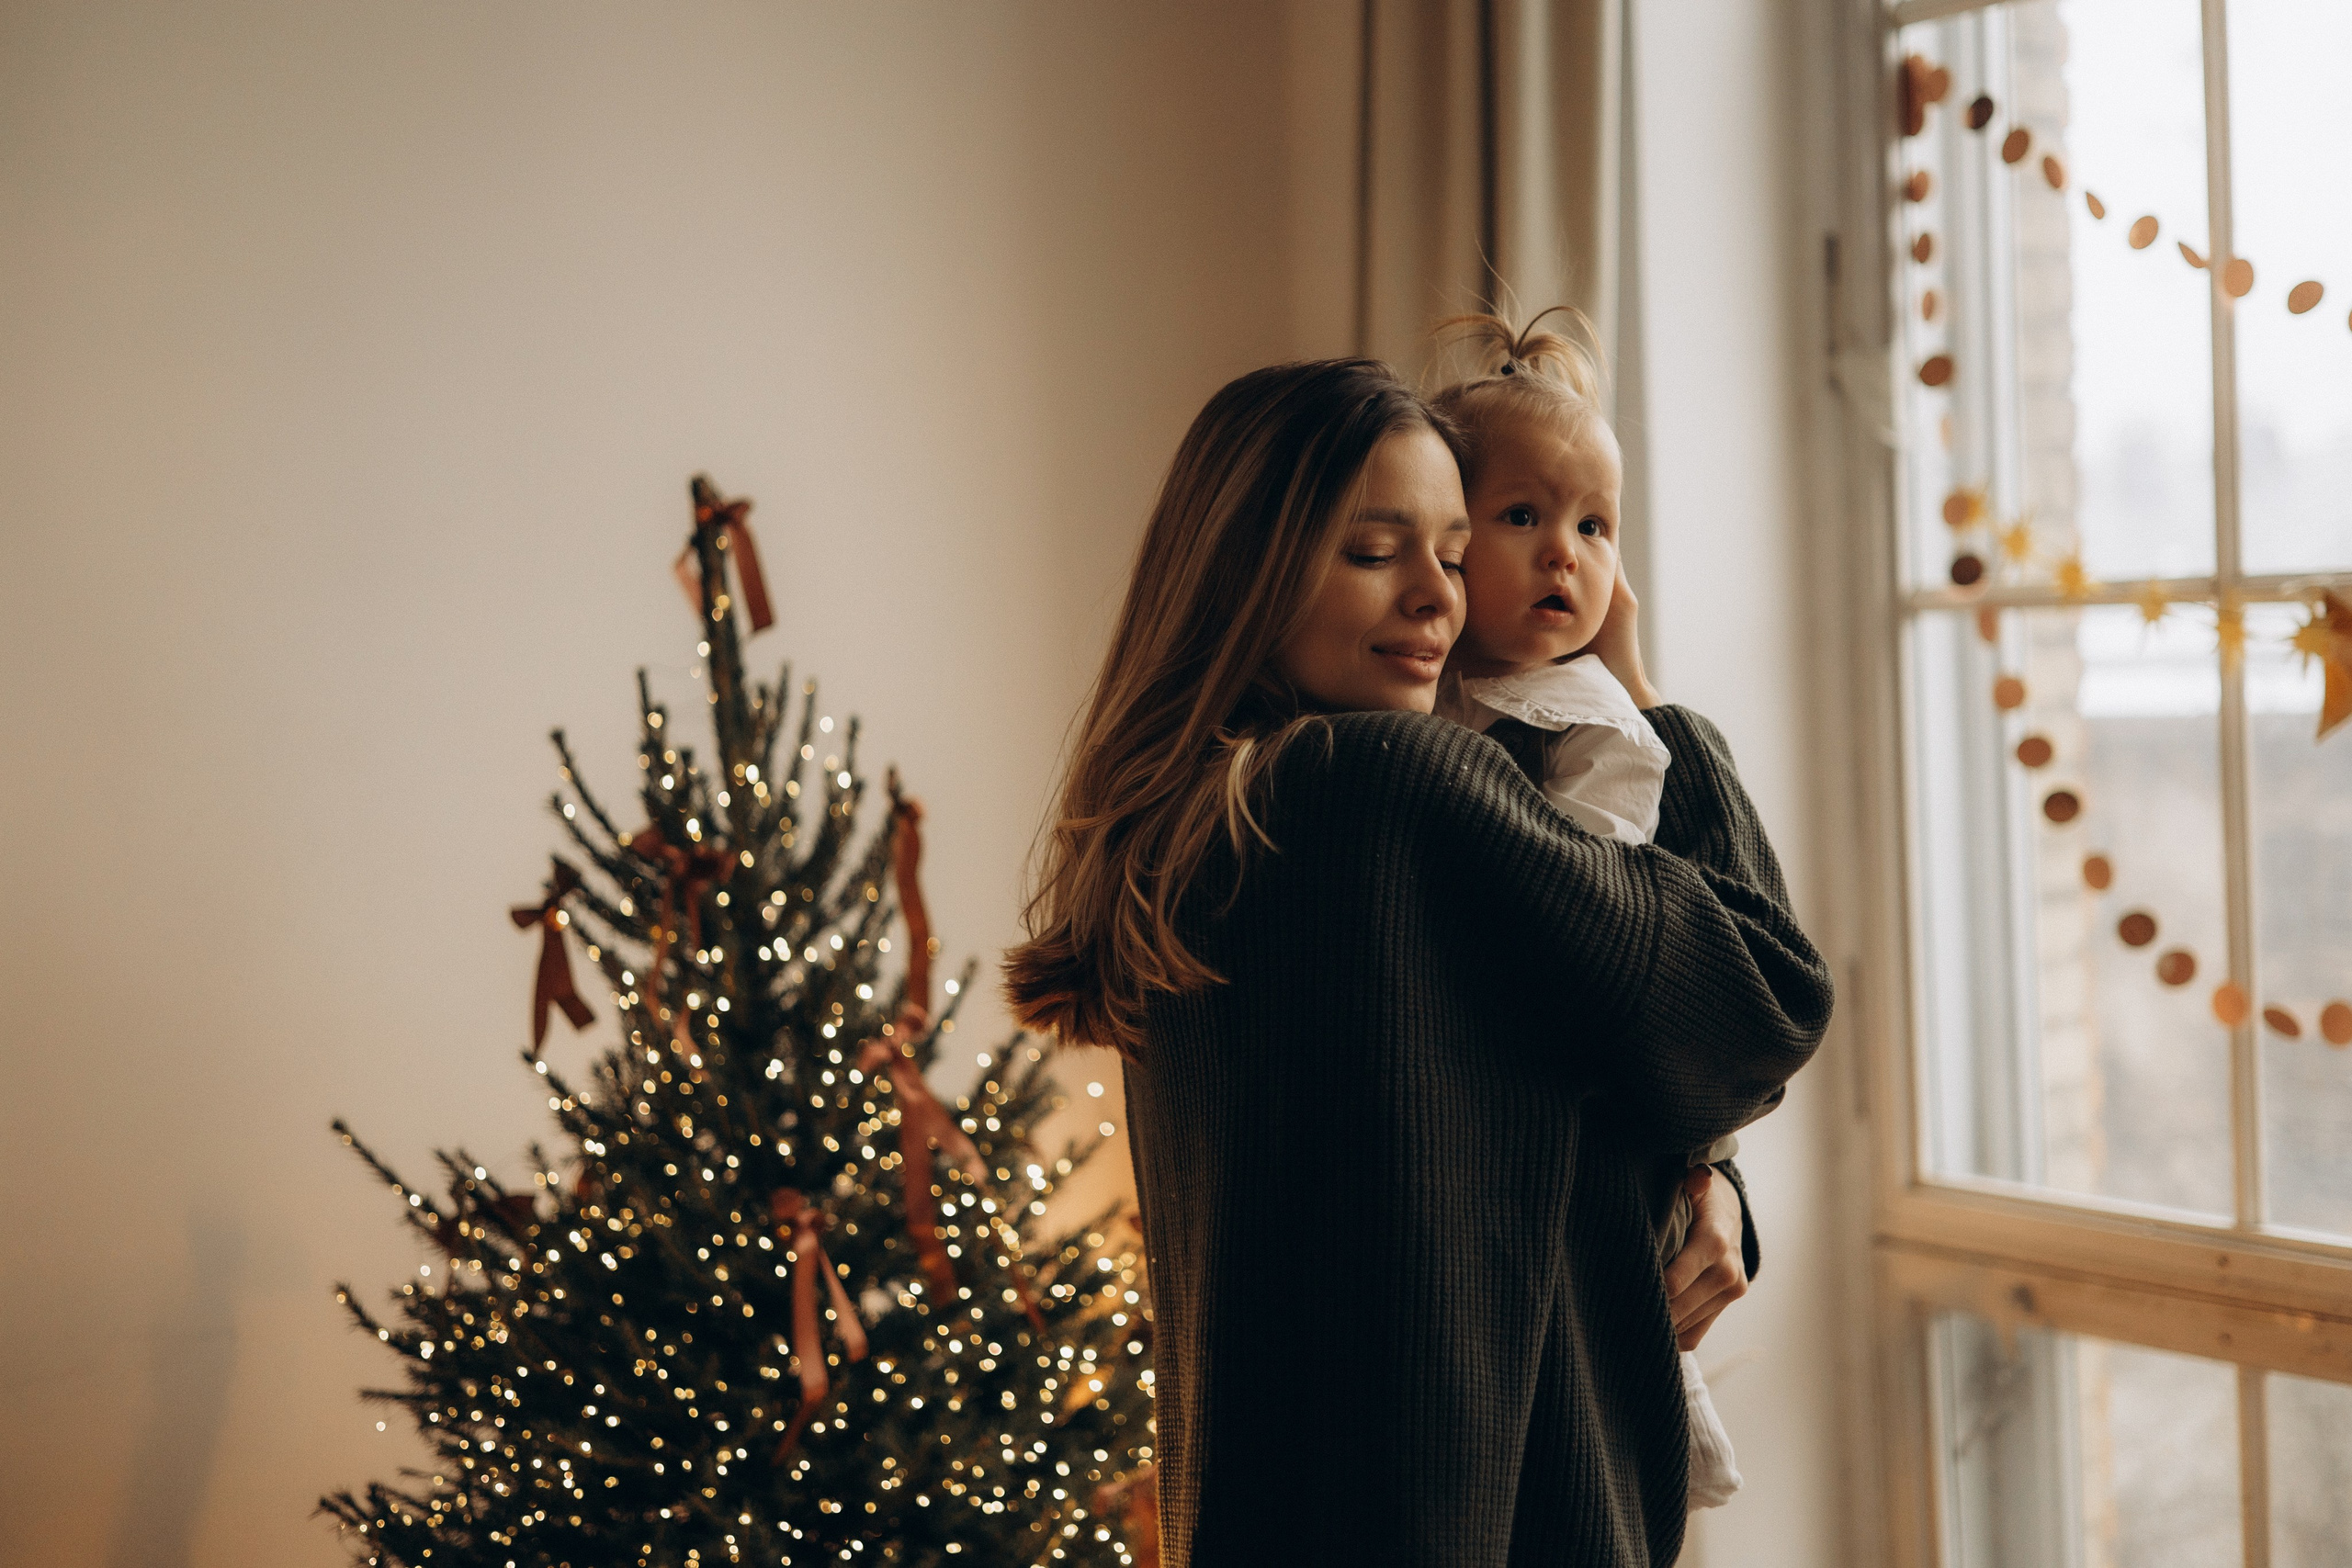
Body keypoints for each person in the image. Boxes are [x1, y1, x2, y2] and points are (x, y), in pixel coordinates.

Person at [1004, 357, 1831, 1567]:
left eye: (1453, 554)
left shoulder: (1211, 820)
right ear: (1251, 570)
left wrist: (1702, 1173)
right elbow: (1761, 998)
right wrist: (1640, 697)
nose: (1437, 601)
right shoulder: (1387, 786)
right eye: (1374, 550)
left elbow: (1525, 1109)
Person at [1430, 307, 1743, 1509]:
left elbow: (1612, 895)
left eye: (1595, 527)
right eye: (1524, 520)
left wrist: (1635, 678)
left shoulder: (1588, 716)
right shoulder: (1414, 703)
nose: (1566, 554)